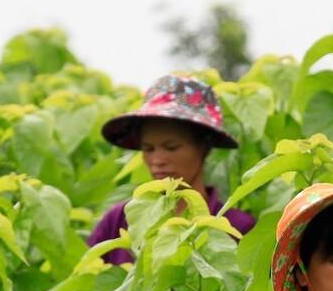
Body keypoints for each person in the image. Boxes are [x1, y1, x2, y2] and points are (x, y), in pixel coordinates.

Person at [88, 74, 255, 263]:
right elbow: (85, 283)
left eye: (171, 147)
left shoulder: (236, 227)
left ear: (204, 147)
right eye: (148, 149)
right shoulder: (118, 220)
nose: (157, 160)